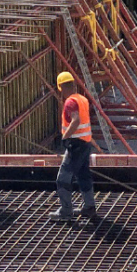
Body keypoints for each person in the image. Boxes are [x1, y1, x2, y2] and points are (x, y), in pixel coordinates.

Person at [49, 71, 99, 223]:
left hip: (75, 145)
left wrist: (65, 137)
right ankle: (89, 207)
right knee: (83, 175)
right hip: (85, 144)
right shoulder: (82, 99)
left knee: (63, 178)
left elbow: (76, 120)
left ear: (61, 87)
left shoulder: (70, 102)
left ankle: (66, 211)